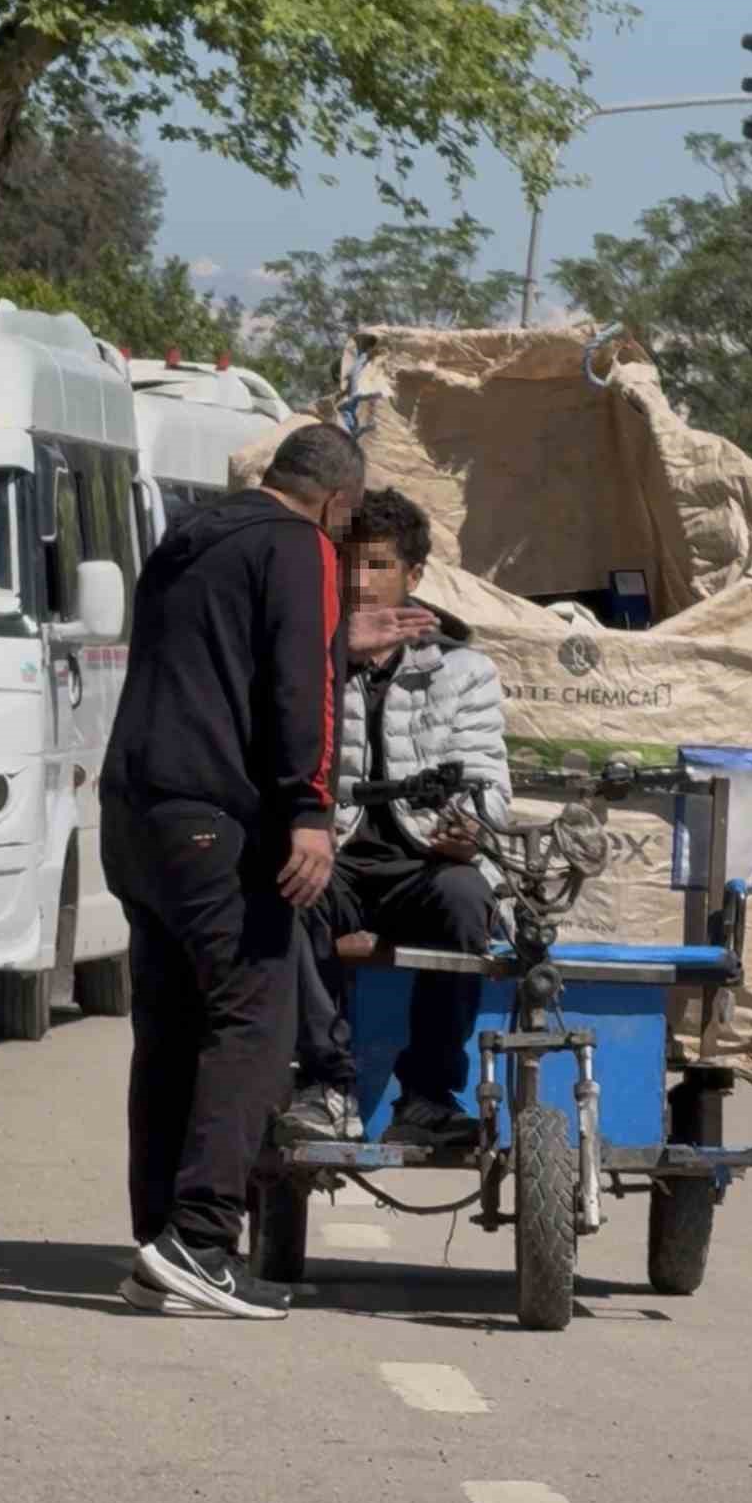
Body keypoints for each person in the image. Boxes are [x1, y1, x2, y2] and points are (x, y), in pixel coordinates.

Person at [100, 423, 416, 1320]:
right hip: (213, 817)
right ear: (339, 502)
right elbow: (294, 689)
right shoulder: (300, 544)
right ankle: (203, 1241)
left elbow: (217, 657)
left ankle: (159, 1242)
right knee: (253, 1018)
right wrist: (308, 811)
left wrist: (333, 641)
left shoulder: (191, 537)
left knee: (170, 1024)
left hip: (136, 815)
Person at [274, 487, 513, 1150]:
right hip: (339, 859)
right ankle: (326, 1084)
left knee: (467, 899)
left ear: (411, 577)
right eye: (346, 563)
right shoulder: (302, 661)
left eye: (377, 565)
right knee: (294, 891)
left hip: (424, 864)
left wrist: (471, 829)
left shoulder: (463, 669)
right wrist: (329, 655)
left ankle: (430, 1095)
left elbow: (489, 778)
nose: (359, 581)